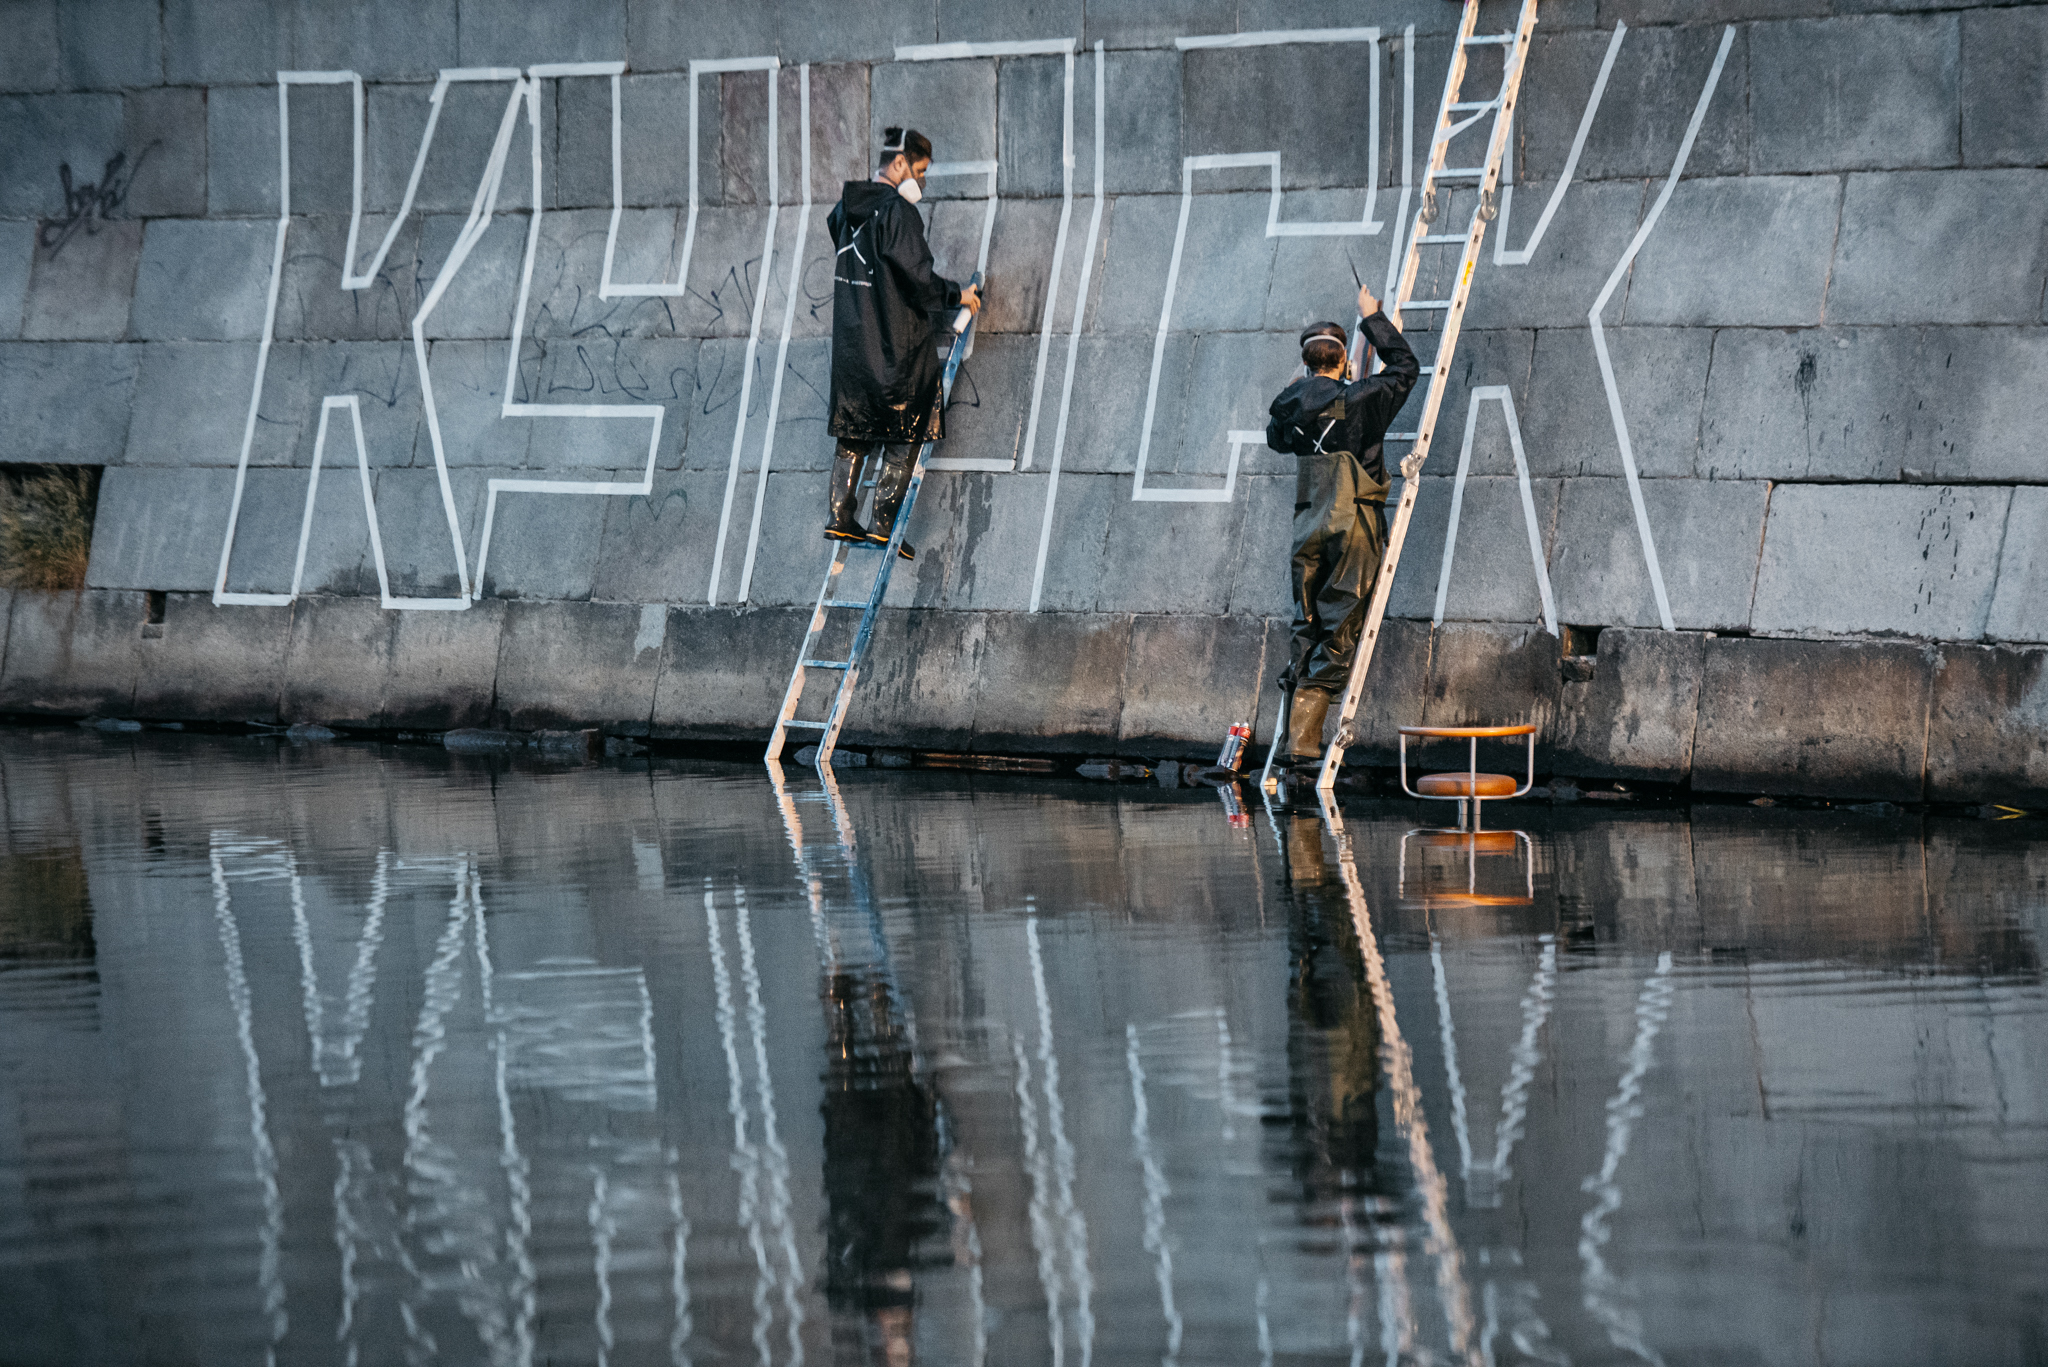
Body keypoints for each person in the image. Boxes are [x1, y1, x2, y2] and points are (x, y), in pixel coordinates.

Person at [1264, 285, 1420, 769]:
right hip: (1352, 524)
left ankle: (1294, 739)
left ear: (1308, 366)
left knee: (1305, 622)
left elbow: (1276, 438)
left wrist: (1297, 388)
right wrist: (1372, 319)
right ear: (1344, 364)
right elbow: (1405, 369)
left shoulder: (1291, 407)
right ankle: (1304, 745)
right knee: (1338, 625)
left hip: (1309, 523)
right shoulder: (1363, 398)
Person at [823, 127, 982, 563]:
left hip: (854, 347)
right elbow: (919, 279)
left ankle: (840, 514)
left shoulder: (846, 210)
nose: (922, 181)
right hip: (895, 346)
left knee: (855, 428)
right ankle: (883, 525)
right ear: (899, 164)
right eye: (920, 170)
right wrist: (959, 295)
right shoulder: (897, 213)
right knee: (907, 429)